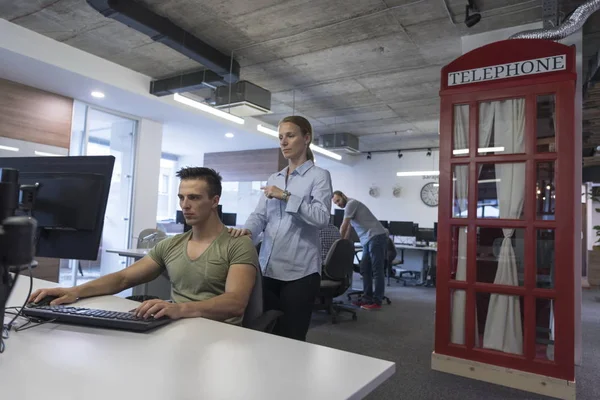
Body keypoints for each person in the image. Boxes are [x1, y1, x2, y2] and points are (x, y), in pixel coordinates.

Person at [29, 167, 258, 325]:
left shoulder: (237, 244)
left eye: (194, 198)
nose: (185, 205)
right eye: (181, 197)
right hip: (178, 326)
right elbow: (123, 279)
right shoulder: (171, 245)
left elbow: (235, 303)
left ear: (215, 201)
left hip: (221, 334)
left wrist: (179, 309)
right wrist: (74, 291)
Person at [229, 115, 332, 341]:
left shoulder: (319, 176)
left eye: (290, 136)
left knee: (291, 337)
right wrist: (248, 231)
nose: (283, 142)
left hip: (300, 272)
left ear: (306, 138)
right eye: (280, 137)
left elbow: (322, 218)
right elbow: (259, 216)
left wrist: (286, 196)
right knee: (266, 332)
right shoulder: (274, 177)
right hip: (268, 268)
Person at [332, 191, 387, 310]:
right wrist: (344, 242)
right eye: (335, 203)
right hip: (368, 239)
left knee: (377, 270)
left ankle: (377, 301)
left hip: (376, 236)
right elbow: (349, 228)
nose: (338, 204)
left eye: (338, 201)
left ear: (343, 196)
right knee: (365, 268)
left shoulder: (351, 203)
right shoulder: (350, 207)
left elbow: (344, 225)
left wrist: (337, 245)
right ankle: (367, 298)